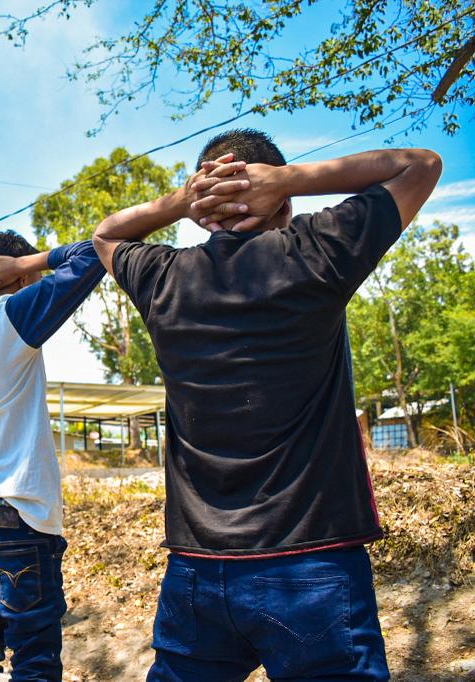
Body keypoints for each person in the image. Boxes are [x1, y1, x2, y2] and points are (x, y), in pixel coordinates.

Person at [92, 129, 442, 681]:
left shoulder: (163, 278)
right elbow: (420, 164)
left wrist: (185, 200)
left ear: (203, 214)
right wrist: (288, 179)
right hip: (312, 567)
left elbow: (107, 233)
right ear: (282, 201)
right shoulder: (315, 253)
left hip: (197, 570)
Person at [0, 230, 105, 682]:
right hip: (22, 516)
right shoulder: (14, 317)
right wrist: (29, 264)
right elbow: (94, 253)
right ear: (18, 276)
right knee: (35, 661)